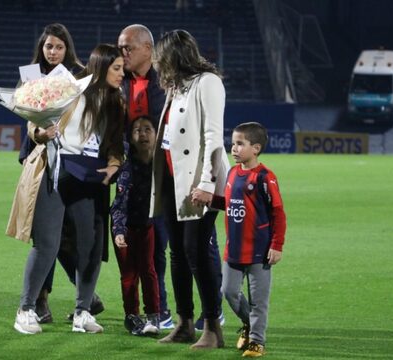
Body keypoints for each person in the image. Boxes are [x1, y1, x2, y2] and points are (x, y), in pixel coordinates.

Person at [12, 43, 125, 335]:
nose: (122, 74)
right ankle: (25, 310)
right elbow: (34, 122)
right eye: (117, 68)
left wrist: (114, 165)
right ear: (101, 66)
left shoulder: (116, 102)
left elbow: (114, 144)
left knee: (90, 248)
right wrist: (40, 132)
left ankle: (82, 313)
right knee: (47, 244)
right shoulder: (70, 88)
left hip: (91, 179)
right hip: (56, 173)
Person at [150, 29, 229, 349]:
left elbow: (213, 137)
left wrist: (208, 183)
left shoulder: (207, 83)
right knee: (178, 253)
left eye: (160, 55)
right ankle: (184, 323)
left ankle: (212, 326)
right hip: (172, 179)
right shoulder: (177, 87)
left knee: (196, 251)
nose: (156, 62)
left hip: (197, 180)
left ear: (173, 56)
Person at [117, 23, 173, 330]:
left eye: (128, 47)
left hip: (161, 174)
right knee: (130, 249)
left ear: (148, 49)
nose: (122, 53)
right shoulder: (116, 80)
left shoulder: (166, 83)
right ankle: (138, 312)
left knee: (159, 246)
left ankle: (161, 309)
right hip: (128, 176)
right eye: (120, 47)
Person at [221, 122, 287, 357]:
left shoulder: (265, 177)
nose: (234, 148)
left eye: (240, 144)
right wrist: (209, 200)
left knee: (258, 300)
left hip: (259, 251)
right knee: (228, 291)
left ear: (256, 148)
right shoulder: (231, 173)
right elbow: (229, 204)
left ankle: (257, 342)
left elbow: (278, 213)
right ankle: (249, 325)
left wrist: (276, 245)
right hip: (234, 249)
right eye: (233, 143)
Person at [110, 116, 160, 336]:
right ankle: (132, 316)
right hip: (126, 228)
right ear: (130, 138)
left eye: (148, 129)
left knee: (148, 271)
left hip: (148, 227)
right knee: (129, 275)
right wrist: (119, 231)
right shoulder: (127, 168)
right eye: (137, 130)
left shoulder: (161, 166)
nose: (143, 134)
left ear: (156, 135)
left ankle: (154, 316)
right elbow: (119, 204)